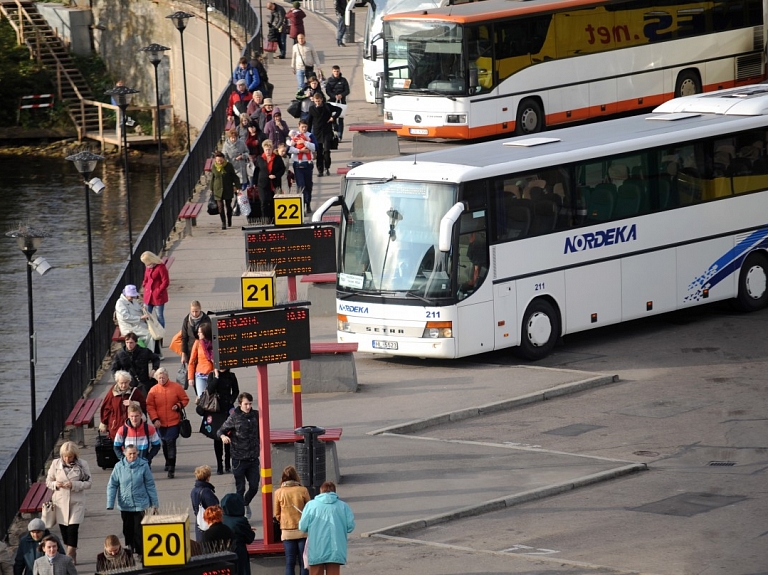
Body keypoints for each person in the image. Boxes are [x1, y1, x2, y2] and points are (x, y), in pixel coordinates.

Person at [106, 444, 159, 557]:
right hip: (125, 504)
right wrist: (110, 502)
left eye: (134, 453)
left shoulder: (143, 465)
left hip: (141, 504)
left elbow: (150, 485)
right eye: (130, 453)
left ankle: (140, 551)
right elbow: (112, 484)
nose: (132, 456)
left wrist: (154, 503)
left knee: (139, 530)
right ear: (125, 453)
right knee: (127, 530)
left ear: (138, 453)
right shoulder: (119, 467)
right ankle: (131, 547)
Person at [44, 442, 91, 564]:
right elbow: (48, 481)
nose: (67, 459)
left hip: (76, 502)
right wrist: (55, 484)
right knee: (64, 530)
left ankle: (69, 556)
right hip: (60, 502)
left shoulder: (82, 464)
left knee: (73, 529)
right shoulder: (55, 464)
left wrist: (73, 485)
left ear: (74, 455)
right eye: (64, 456)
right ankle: (71, 552)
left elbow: (88, 483)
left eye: (69, 456)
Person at [217, 392, 260, 519]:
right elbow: (220, 430)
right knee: (240, 488)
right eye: (246, 404)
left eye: (250, 404)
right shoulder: (234, 417)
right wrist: (223, 436)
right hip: (239, 458)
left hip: (253, 457)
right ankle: (240, 512)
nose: (248, 407)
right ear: (240, 404)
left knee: (254, 486)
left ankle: (245, 503)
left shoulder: (256, 415)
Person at [298, 482, 355, 575]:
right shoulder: (343, 506)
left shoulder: (311, 505)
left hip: (316, 549)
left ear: (320, 492)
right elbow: (350, 526)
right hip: (335, 549)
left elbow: (302, 527)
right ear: (334, 492)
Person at [146, 366, 189, 478]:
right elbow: (150, 406)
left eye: (163, 377)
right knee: (164, 443)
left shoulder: (176, 387)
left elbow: (185, 399)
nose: (161, 380)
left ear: (167, 376)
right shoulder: (153, 390)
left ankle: (171, 468)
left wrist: (178, 406)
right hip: (160, 422)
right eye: (159, 378)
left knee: (171, 442)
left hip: (174, 421)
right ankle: (168, 461)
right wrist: (155, 419)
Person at [197, 367, 238, 474]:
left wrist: (231, 400)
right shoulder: (212, 375)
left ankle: (228, 464)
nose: (222, 367)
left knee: (228, 436)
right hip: (215, 409)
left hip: (227, 409)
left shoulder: (231, 376)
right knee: (217, 438)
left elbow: (236, 391)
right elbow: (209, 390)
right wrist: (216, 377)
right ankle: (219, 465)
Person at [274, 466, 310, 575]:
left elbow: (276, 514)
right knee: (304, 562)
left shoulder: (278, 492)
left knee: (290, 562)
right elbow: (309, 509)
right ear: (295, 476)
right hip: (302, 530)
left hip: (287, 531)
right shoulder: (302, 490)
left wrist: (283, 520)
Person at [99, 370, 146, 440]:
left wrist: (133, 403)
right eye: (121, 383)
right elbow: (106, 408)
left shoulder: (134, 392)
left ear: (129, 382)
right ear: (117, 382)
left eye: (126, 382)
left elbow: (144, 405)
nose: (123, 385)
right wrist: (104, 423)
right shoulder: (112, 392)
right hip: (116, 427)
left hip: (132, 427)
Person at [111, 332, 160, 396]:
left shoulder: (144, 351)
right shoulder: (120, 354)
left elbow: (156, 358)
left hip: (143, 381)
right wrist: (118, 380)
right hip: (128, 383)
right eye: (127, 342)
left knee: (144, 401)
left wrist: (153, 370)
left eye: (131, 343)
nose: (129, 345)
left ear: (136, 342)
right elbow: (114, 369)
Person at [308, 92, 342, 178]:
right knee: (319, 152)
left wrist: (333, 117)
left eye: (319, 101)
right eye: (316, 101)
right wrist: (307, 134)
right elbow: (310, 121)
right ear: (314, 101)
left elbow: (339, 110)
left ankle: (327, 167)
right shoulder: (311, 109)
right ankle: (320, 170)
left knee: (327, 151)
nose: (318, 103)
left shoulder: (327, 106)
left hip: (327, 131)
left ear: (322, 100)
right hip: (317, 132)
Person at [221, 493, 255, 575]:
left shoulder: (221, 519)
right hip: (238, 551)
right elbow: (249, 538)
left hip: (223, 551)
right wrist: (250, 530)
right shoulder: (241, 521)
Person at [288, 121, 316, 212]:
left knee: (308, 185)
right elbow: (289, 148)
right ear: (298, 126)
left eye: (305, 127)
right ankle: (301, 206)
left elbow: (315, 147)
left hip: (308, 164)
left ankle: (308, 204)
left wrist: (305, 142)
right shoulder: (295, 135)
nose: (304, 129)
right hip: (298, 164)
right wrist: (300, 151)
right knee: (301, 185)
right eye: (302, 127)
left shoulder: (310, 135)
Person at [254, 139, 286, 221]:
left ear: (272, 149)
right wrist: (254, 182)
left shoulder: (277, 158)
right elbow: (256, 171)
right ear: (263, 149)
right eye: (266, 149)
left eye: (269, 149)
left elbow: (282, 169)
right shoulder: (259, 158)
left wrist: (276, 175)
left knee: (273, 202)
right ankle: (265, 219)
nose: (268, 151)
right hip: (263, 183)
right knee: (263, 202)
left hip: (274, 183)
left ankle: (274, 219)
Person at [210, 151, 240, 230]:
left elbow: (234, 177)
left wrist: (237, 186)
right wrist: (211, 188)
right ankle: (223, 222)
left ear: (223, 159)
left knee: (228, 206)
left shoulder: (229, 166)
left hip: (227, 189)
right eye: (217, 160)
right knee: (220, 207)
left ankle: (229, 219)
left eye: (220, 160)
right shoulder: (214, 167)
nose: (219, 162)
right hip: (217, 189)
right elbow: (212, 178)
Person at [191, 465, 220, 542]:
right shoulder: (206, 491)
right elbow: (213, 507)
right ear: (208, 477)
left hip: (199, 522)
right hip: (208, 524)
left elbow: (195, 508)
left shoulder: (194, 490)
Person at [188, 322, 215, 397]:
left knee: (213, 398)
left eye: (200, 332)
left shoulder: (214, 343)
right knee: (202, 398)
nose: (198, 334)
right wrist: (190, 378)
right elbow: (192, 361)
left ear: (206, 333)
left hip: (213, 375)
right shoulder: (197, 343)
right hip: (201, 375)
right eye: (198, 332)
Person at [180, 301, 211, 367]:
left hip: (203, 349)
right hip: (190, 349)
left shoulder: (206, 319)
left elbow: (209, 335)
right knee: (191, 369)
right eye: (192, 311)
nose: (194, 314)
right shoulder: (186, 320)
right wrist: (183, 354)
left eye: (196, 311)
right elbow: (184, 338)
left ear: (200, 309)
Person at [325, 66, 350, 140]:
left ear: (339, 71)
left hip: (342, 102)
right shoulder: (329, 80)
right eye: (335, 71)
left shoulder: (343, 80)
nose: (336, 73)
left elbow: (347, 90)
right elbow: (328, 91)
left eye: (337, 71)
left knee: (341, 119)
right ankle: (335, 131)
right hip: (332, 102)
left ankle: (340, 135)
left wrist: (341, 95)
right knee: (333, 118)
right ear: (332, 72)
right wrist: (334, 96)